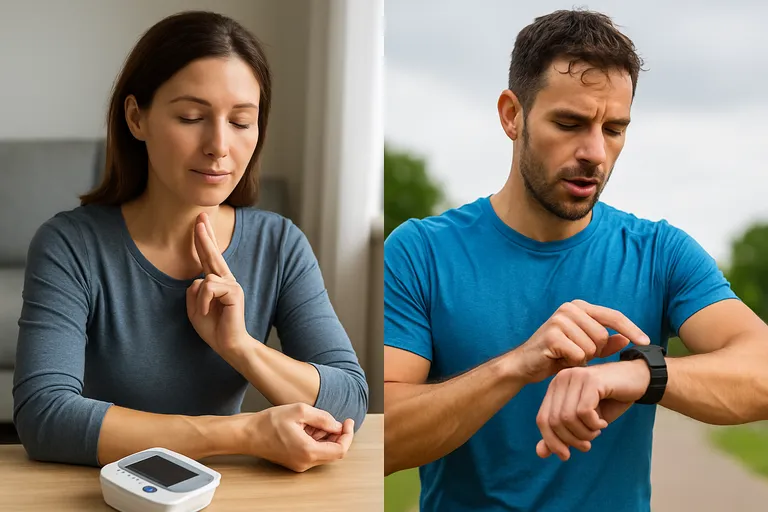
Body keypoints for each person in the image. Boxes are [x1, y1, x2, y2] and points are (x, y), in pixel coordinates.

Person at [384, 8, 768, 512]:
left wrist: (639, 372)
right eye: (570, 123)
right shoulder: (420, 252)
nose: (595, 152)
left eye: (614, 129)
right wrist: (517, 366)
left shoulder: (659, 252)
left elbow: (761, 372)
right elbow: (382, 441)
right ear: (511, 114)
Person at [13, 10, 368, 472]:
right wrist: (242, 433)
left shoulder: (279, 244)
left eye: (241, 122)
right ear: (137, 118)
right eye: (191, 116)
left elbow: (351, 402)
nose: (219, 145)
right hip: (97, 491)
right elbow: (44, 417)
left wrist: (240, 346)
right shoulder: (70, 244)